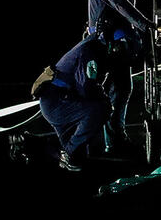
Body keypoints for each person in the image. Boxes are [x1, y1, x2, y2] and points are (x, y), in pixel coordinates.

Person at [87, 0, 156, 153]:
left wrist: (140, 40)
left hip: (118, 43)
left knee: (122, 88)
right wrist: (146, 26)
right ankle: (85, 142)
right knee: (91, 93)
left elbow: (127, 14)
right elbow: (120, 5)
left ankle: (114, 140)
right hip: (100, 44)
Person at [34, 28, 131, 171]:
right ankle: (68, 152)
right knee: (102, 109)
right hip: (58, 103)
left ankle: (29, 143)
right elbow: (86, 88)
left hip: (58, 102)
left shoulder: (92, 48)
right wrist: (104, 98)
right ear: (110, 43)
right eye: (119, 47)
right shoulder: (90, 52)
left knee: (78, 160)